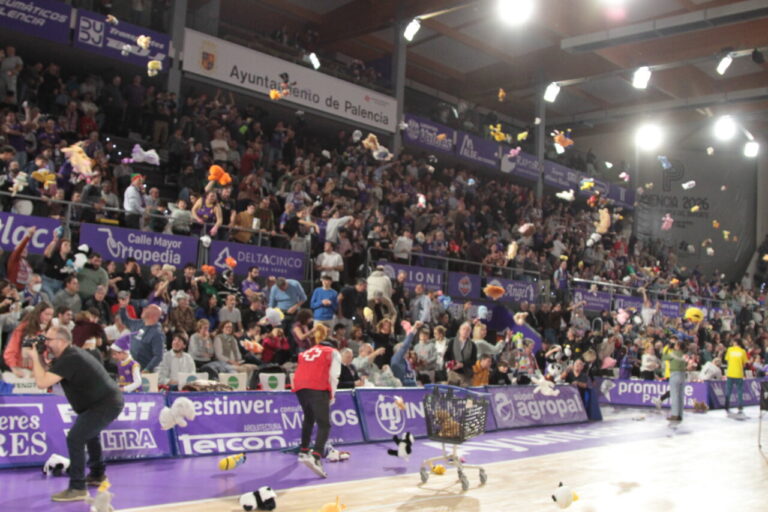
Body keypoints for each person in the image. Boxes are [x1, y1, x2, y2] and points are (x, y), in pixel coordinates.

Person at [25, 325, 123, 501]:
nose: (45, 343)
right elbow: (48, 372)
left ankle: (78, 487)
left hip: (105, 403)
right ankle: (97, 474)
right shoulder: (68, 355)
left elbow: (42, 382)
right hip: (100, 403)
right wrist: (39, 355)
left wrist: (33, 357)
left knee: (75, 437)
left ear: (62, 341)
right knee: (90, 435)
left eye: (49, 340)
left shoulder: (70, 358)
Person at [293, 323, 340, 478]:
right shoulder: (333, 352)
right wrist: (331, 395)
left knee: (309, 417)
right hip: (317, 386)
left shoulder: (306, 352)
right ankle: (316, 456)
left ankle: (304, 451)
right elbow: (334, 376)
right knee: (324, 424)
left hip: (300, 386)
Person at [3, 301, 53, 377]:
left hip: (39, 373)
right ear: (38, 313)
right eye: (46, 314)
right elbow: (11, 350)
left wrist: (42, 367)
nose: (49, 318)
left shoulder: (50, 330)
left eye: (51, 315)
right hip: (21, 372)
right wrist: (14, 368)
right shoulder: (23, 328)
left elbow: (49, 354)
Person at [119, 304, 165, 372]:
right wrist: (123, 307)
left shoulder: (157, 334)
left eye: (147, 308)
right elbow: (125, 321)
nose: (143, 309)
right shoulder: (138, 324)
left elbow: (158, 356)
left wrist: (147, 369)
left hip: (142, 371)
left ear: (153, 315)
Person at [444, 322, 476, 387]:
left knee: (465, 394)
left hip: (466, 373)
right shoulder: (452, 341)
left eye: (468, 330)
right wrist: (449, 364)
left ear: (470, 332)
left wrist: (462, 364)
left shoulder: (473, 345)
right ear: (459, 330)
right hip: (453, 373)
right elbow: (446, 356)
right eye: (464, 329)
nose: (465, 331)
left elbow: (473, 360)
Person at [662, 336, 686, 422]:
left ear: (678, 346)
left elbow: (664, 357)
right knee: (680, 396)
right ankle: (680, 414)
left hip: (674, 374)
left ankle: (675, 414)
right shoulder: (684, 355)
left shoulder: (673, 354)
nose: (674, 345)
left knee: (674, 395)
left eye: (675, 344)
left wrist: (668, 347)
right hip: (683, 375)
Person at [724, 338, 748, 414]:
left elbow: (727, 359)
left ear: (735, 343)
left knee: (728, 390)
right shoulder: (743, 351)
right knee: (740, 390)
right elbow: (744, 363)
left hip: (730, 373)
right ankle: (740, 405)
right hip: (739, 374)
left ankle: (727, 405)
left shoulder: (730, 350)